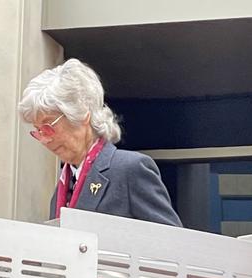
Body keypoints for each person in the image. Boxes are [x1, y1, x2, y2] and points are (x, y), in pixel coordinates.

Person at [18, 58, 182, 227]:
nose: (45, 139)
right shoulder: (60, 190)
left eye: (48, 126)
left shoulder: (129, 170)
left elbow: (171, 243)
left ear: (82, 113)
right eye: (38, 131)